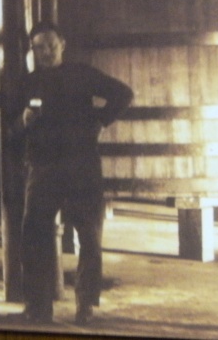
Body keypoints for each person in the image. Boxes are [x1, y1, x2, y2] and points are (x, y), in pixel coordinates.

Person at [8, 21, 133, 325]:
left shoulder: (81, 74)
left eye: (51, 44)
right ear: (32, 51)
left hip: (82, 167)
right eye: (39, 46)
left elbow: (123, 93)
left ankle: (85, 305)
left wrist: (101, 121)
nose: (46, 51)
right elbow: (10, 131)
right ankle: (38, 306)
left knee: (89, 236)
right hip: (44, 167)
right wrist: (23, 120)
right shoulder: (27, 83)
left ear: (63, 43)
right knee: (34, 235)